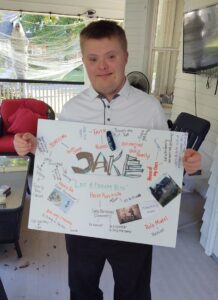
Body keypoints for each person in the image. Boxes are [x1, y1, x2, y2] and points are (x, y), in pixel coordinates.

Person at [14, 20, 201, 300]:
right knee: (82, 290)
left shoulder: (149, 108)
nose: (102, 65)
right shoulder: (72, 109)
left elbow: (167, 167)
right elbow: (61, 160)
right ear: (84, 62)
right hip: (82, 221)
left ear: (125, 57)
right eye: (93, 58)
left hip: (133, 223)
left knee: (134, 291)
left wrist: (185, 166)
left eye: (111, 56)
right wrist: (31, 146)